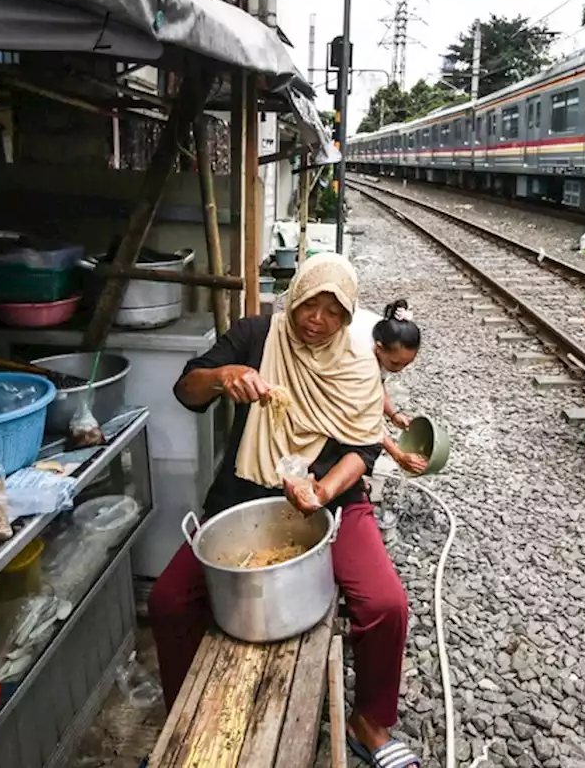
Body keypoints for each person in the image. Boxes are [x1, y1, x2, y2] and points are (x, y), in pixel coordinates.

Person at [149, 253, 421, 768]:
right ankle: (183, 722)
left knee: (385, 604)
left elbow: (361, 452)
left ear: (348, 317)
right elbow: (187, 390)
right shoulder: (258, 336)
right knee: (168, 601)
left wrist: (320, 492)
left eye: (334, 311)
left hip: (333, 502)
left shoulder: (358, 360)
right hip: (247, 495)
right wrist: (224, 375)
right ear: (294, 296)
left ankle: (369, 724)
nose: (317, 320)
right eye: (310, 305)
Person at [349, 300, 428, 474]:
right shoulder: (360, 357)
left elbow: (378, 384)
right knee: (362, 443)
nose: (398, 369)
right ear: (378, 348)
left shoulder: (390, 335)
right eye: (395, 363)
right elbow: (364, 419)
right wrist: (398, 455)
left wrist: (393, 414)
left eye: (406, 365)